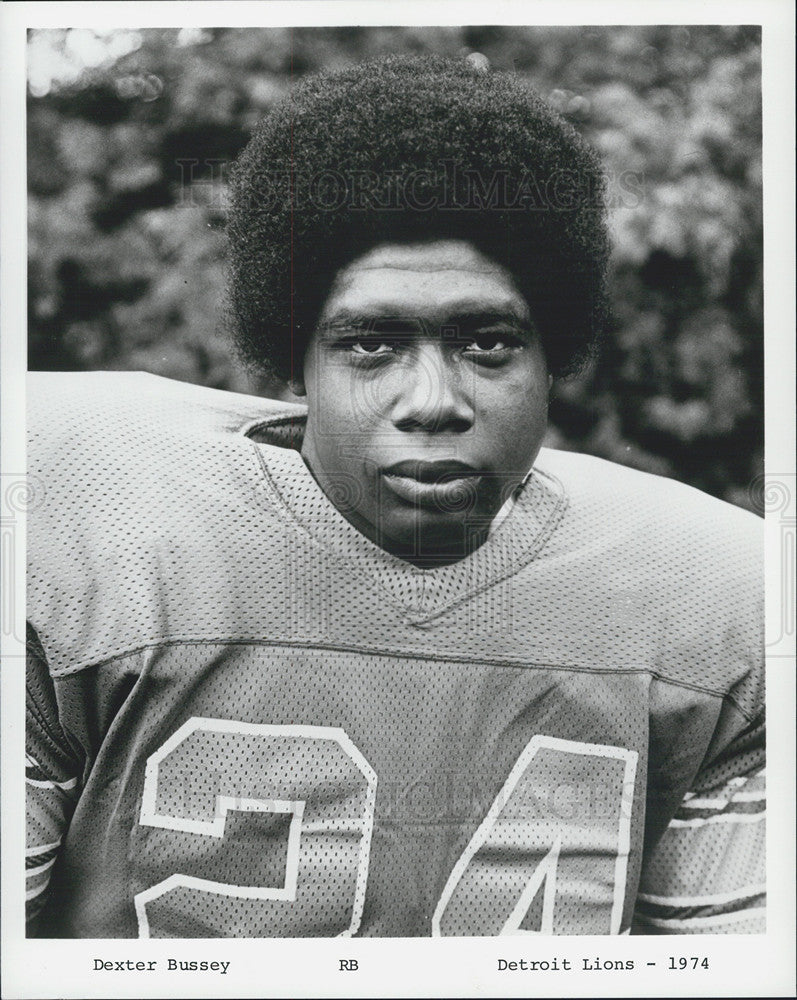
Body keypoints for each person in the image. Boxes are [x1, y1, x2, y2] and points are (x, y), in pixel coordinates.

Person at [26, 54, 764, 938]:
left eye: (486, 342)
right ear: (293, 358)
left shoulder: (715, 597)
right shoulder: (75, 518)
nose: (432, 402)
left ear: (551, 355)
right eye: (371, 344)